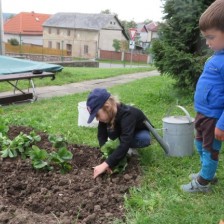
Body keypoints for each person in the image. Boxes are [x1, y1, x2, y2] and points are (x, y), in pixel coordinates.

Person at [181, 0, 224, 193]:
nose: (207, 42)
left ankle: (203, 183)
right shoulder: (216, 56)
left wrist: (222, 124)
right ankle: (207, 173)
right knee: (199, 144)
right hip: (202, 114)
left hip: (214, 118)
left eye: (211, 37)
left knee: (209, 149)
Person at [86, 88, 151, 179]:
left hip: (138, 131)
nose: (97, 119)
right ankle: (120, 151)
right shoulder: (107, 113)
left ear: (107, 106)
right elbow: (101, 136)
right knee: (113, 135)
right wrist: (106, 155)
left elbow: (125, 143)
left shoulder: (128, 114)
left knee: (142, 139)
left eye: (97, 115)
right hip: (124, 131)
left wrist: (105, 164)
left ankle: (129, 150)